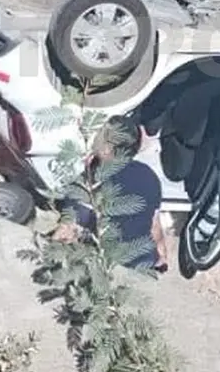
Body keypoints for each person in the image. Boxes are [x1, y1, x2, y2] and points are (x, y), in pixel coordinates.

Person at [52, 115, 169, 273]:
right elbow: (155, 226)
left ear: (107, 149)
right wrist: (161, 257)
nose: (95, 135)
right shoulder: (149, 175)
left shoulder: (95, 181)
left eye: (100, 133)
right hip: (145, 259)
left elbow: (69, 227)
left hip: (112, 264)